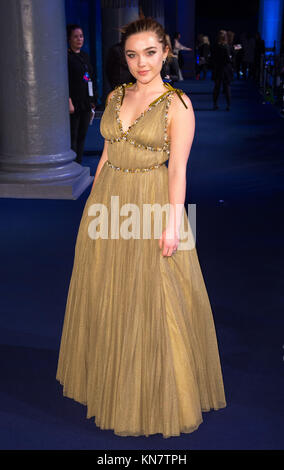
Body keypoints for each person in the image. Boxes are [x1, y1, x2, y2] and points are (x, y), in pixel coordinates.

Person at [56, 17, 226, 438]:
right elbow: (105, 157)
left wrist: (174, 222)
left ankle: (156, 391)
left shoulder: (177, 104)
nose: (141, 62)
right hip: (108, 201)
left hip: (150, 202)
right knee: (108, 291)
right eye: (132, 54)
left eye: (150, 52)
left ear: (166, 51)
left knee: (155, 296)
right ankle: (110, 379)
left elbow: (178, 172)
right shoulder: (116, 96)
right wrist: (93, 205)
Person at [67, 24, 97, 164]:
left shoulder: (85, 56)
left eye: (81, 36)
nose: (79, 39)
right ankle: (73, 164)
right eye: (75, 36)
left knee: (82, 135)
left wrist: (92, 101)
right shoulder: (67, 57)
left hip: (86, 101)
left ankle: (79, 163)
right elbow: (65, 80)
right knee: (73, 135)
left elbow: (89, 77)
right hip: (74, 102)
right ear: (69, 39)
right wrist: (68, 101)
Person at [211, 30, 234, 111]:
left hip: (218, 68)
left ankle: (215, 104)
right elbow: (228, 59)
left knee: (217, 87)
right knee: (227, 87)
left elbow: (212, 57)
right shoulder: (226, 46)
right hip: (225, 69)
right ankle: (228, 105)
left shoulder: (215, 46)